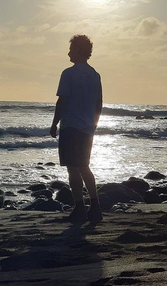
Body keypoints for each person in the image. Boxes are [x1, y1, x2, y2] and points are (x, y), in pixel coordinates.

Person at [50, 34, 103, 224]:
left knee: (73, 169)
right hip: (87, 127)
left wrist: (54, 123)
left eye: (71, 49)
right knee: (84, 166)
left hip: (71, 125)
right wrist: (94, 124)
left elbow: (62, 100)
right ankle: (95, 206)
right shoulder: (95, 75)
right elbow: (99, 103)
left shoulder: (69, 73)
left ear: (78, 50)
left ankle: (79, 207)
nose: (68, 53)